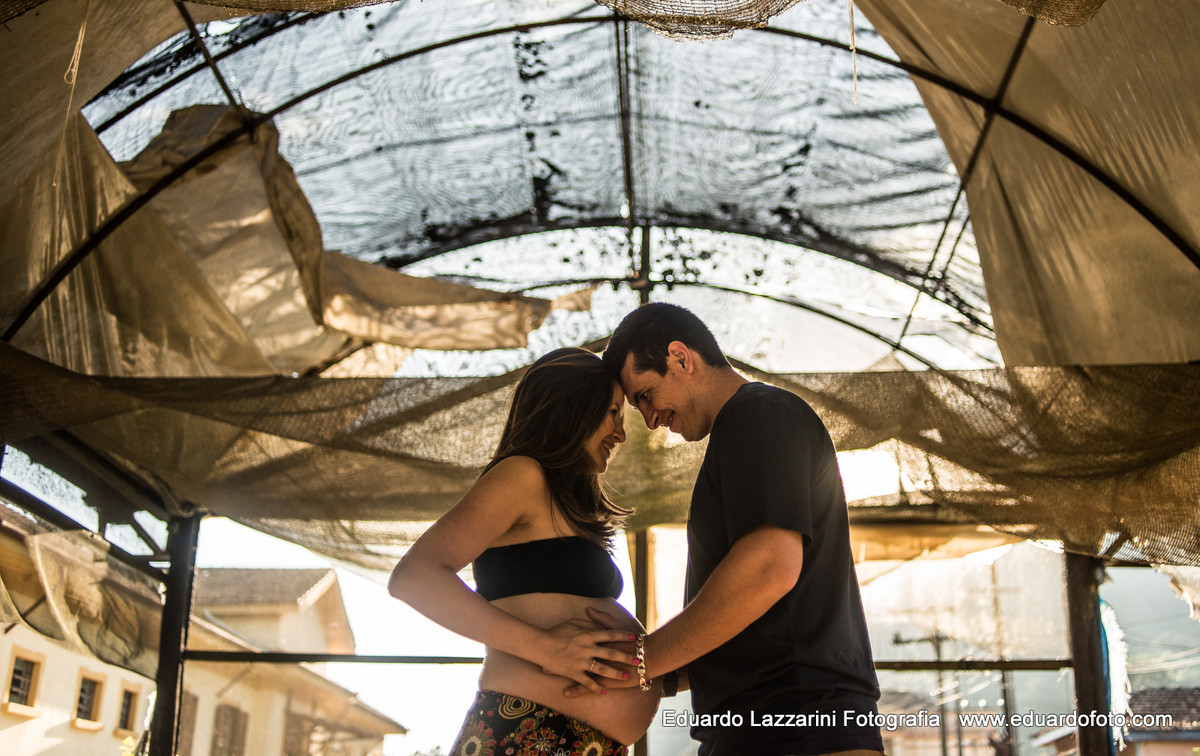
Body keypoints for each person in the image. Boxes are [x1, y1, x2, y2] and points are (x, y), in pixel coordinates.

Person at [578, 302, 884, 756]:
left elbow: (768, 569)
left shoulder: (760, 414)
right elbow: (753, 626)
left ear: (681, 357)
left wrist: (639, 662)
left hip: (801, 727)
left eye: (645, 395)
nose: (649, 419)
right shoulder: (741, 431)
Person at [388, 347, 662, 756]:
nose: (620, 433)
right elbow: (413, 578)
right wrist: (547, 649)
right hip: (528, 732)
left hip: (584, 742)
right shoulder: (523, 474)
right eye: (612, 412)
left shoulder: (560, 500)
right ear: (571, 408)